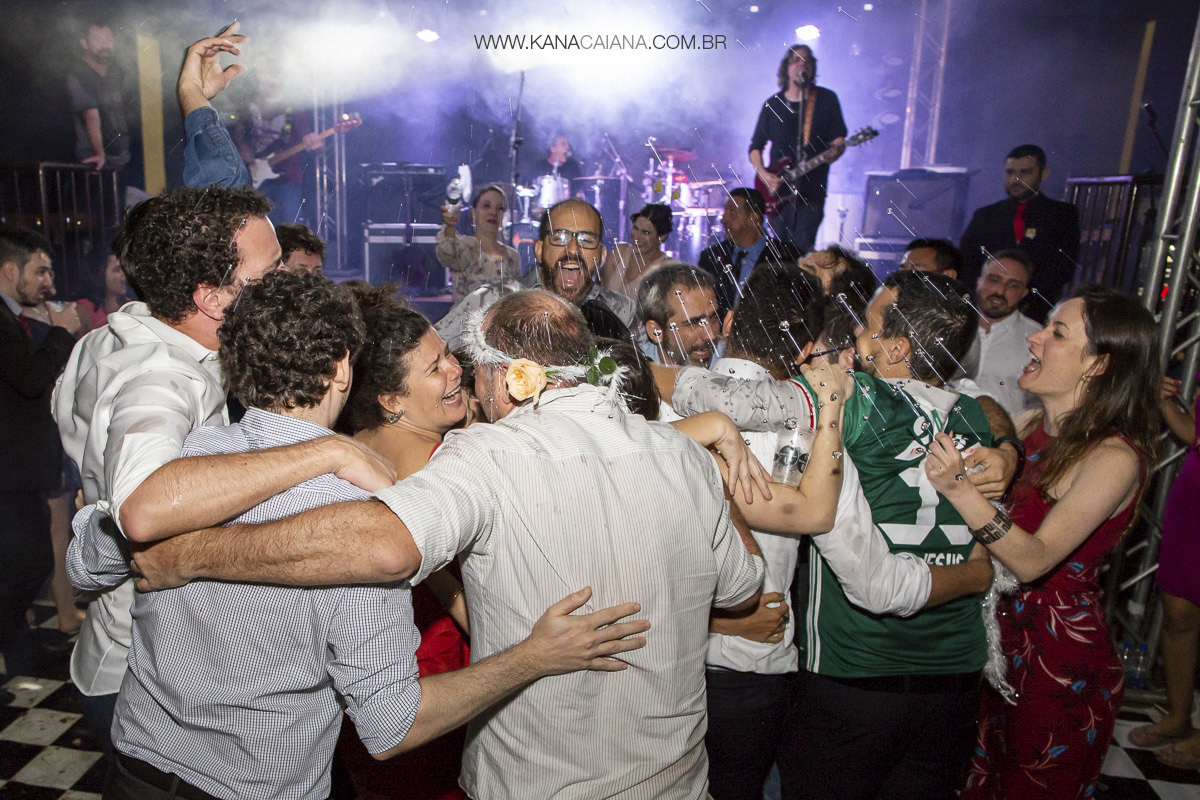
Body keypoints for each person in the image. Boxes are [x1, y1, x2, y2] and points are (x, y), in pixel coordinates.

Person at [130, 289, 778, 799]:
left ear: (513, 380)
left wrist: (192, 554)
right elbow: (744, 585)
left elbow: (384, 546)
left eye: (476, 370)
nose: (469, 384)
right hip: (676, 784)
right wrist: (712, 476)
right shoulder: (683, 458)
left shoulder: (483, 455)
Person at [56, 187, 395, 756]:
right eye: (271, 272)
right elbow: (142, 510)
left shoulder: (115, 334)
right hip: (142, 671)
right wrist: (327, 452)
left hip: (152, 654)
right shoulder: (161, 381)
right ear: (212, 298)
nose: (286, 282)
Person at [665, 270, 1012, 799]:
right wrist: (974, 569)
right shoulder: (973, 415)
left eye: (867, 327)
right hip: (956, 680)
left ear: (897, 348)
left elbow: (736, 400)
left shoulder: (857, 403)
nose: (854, 338)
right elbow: (987, 408)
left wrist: (650, 373)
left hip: (859, 674)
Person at [924, 286, 1159, 799]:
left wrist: (960, 489)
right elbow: (972, 404)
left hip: (1057, 662)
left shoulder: (1114, 459)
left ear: (1099, 364)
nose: (1035, 338)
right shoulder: (1028, 426)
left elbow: (1033, 560)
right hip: (991, 647)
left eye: (1058, 333)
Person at [334, 287, 473, 799]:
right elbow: (478, 614)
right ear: (392, 401)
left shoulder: (347, 452)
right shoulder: (449, 467)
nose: (456, 370)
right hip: (435, 693)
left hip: (362, 692)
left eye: (449, 354)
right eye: (435, 368)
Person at [0, 227, 82, 678]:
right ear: (10, 271)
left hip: (20, 468)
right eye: (38, 271)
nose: (45, 281)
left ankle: (19, 655)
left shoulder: (12, 315)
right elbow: (30, 379)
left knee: (26, 562)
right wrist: (61, 333)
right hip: (9, 470)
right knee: (27, 563)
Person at [435, 198, 638, 350]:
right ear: (539, 250)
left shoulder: (622, 313)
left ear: (601, 255)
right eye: (559, 238)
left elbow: (645, 378)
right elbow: (427, 354)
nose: (573, 250)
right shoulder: (492, 301)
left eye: (586, 240)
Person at [1130, 376, 1200, 769]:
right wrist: (1163, 403)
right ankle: (1179, 715)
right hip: (1195, 492)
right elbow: (1195, 433)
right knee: (1178, 612)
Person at [959, 144, 1081, 313]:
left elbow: (1063, 267)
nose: (1016, 179)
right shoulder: (986, 216)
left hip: (1036, 307)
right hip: (986, 306)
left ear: (1043, 174)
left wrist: (1024, 295)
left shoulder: (1061, 215)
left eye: (1025, 172)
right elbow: (968, 263)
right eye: (1010, 172)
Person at [750, 45, 847, 252]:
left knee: (801, 249)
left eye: (807, 60)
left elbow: (838, 140)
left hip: (812, 191)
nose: (802, 64)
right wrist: (764, 175)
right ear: (786, 67)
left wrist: (835, 152)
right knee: (779, 251)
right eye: (796, 60)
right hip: (777, 191)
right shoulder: (773, 104)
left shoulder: (826, 100)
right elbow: (755, 147)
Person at [232, 62, 323, 225]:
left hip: (287, 177)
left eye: (264, 74)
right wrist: (243, 148)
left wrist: (316, 145)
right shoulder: (249, 105)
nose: (261, 79)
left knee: (290, 227)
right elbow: (238, 134)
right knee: (255, 226)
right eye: (259, 75)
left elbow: (311, 143)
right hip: (254, 174)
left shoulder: (292, 106)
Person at [959, 250, 1041, 418]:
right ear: (979, 281)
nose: (1000, 291)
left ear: (1024, 293)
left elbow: (1040, 404)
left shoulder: (1036, 338)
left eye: (1013, 285)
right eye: (994, 280)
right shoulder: (951, 326)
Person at [697, 188, 801, 315]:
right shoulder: (711, 257)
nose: (724, 219)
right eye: (725, 212)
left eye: (732, 213)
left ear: (753, 217)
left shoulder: (786, 257)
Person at [67, 17, 131, 176]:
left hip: (122, 159)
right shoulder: (78, 74)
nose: (105, 45)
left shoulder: (119, 73)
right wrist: (99, 154)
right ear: (84, 43)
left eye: (108, 39)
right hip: (93, 162)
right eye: (98, 39)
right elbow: (91, 115)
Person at [437, 184, 520, 302]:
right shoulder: (464, 247)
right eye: (486, 206)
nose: (493, 212)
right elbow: (448, 252)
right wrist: (450, 226)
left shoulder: (513, 256)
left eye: (500, 208)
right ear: (474, 213)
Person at [637, 264, 721, 367]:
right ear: (655, 331)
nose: (710, 335)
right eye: (693, 322)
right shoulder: (633, 370)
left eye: (713, 317)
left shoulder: (730, 359)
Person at [602, 203, 685, 300]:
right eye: (636, 228)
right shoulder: (619, 252)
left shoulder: (667, 269)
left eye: (646, 232)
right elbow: (598, 294)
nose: (636, 237)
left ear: (662, 236)